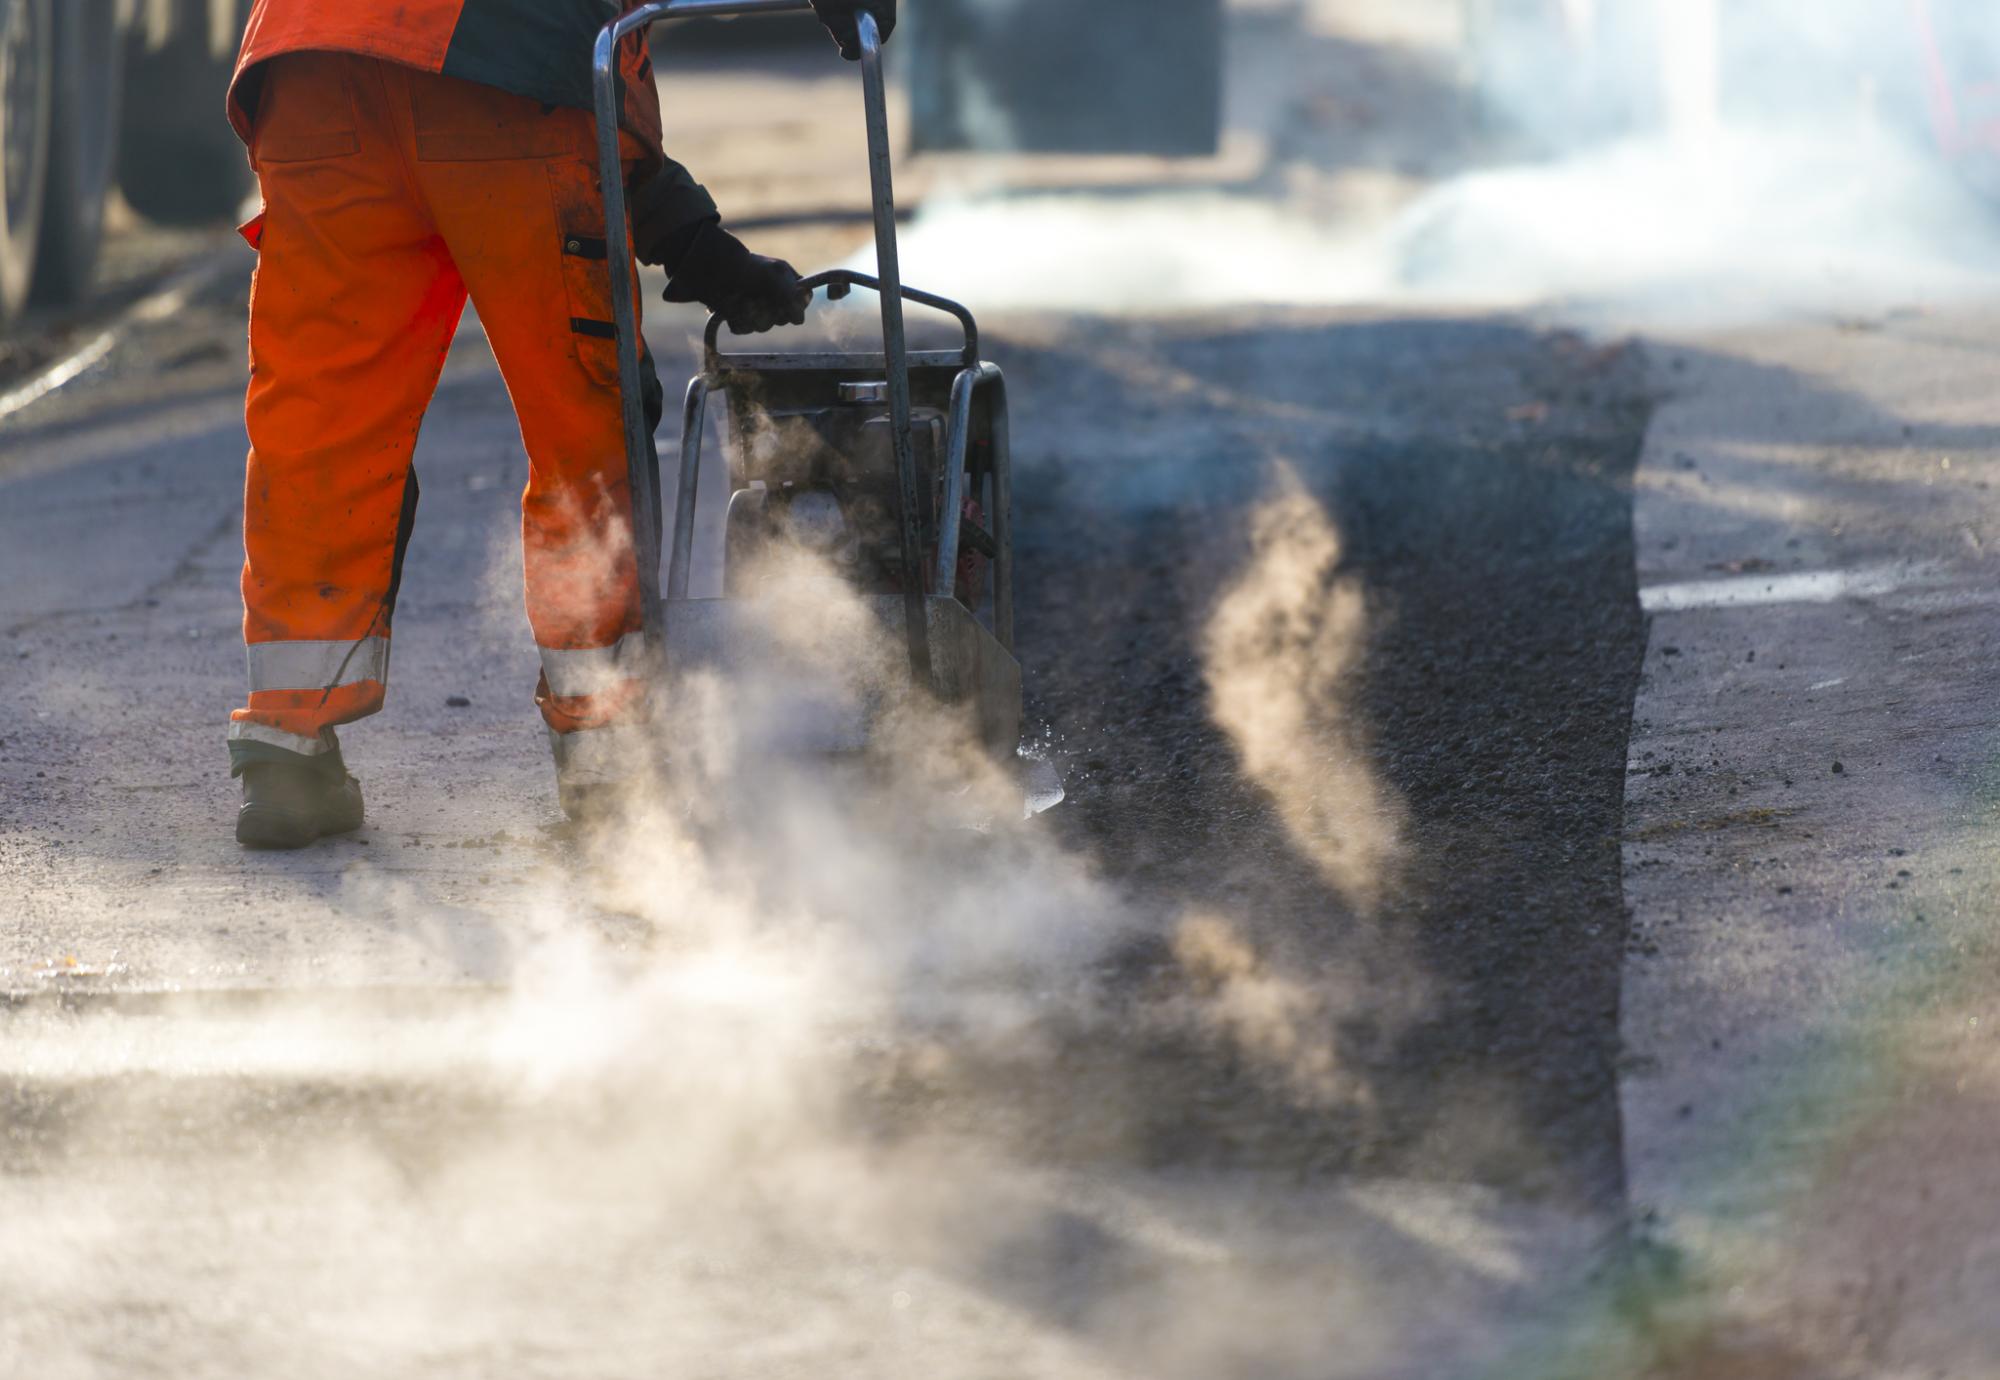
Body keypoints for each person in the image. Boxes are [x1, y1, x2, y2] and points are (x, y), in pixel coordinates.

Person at [222, 0, 894, 848]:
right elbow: (560, 108)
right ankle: (607, 759)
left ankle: (286, 752)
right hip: (505, 69)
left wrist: (692, 241)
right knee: (584, 423)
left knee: (321, 425)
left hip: (311, 70)